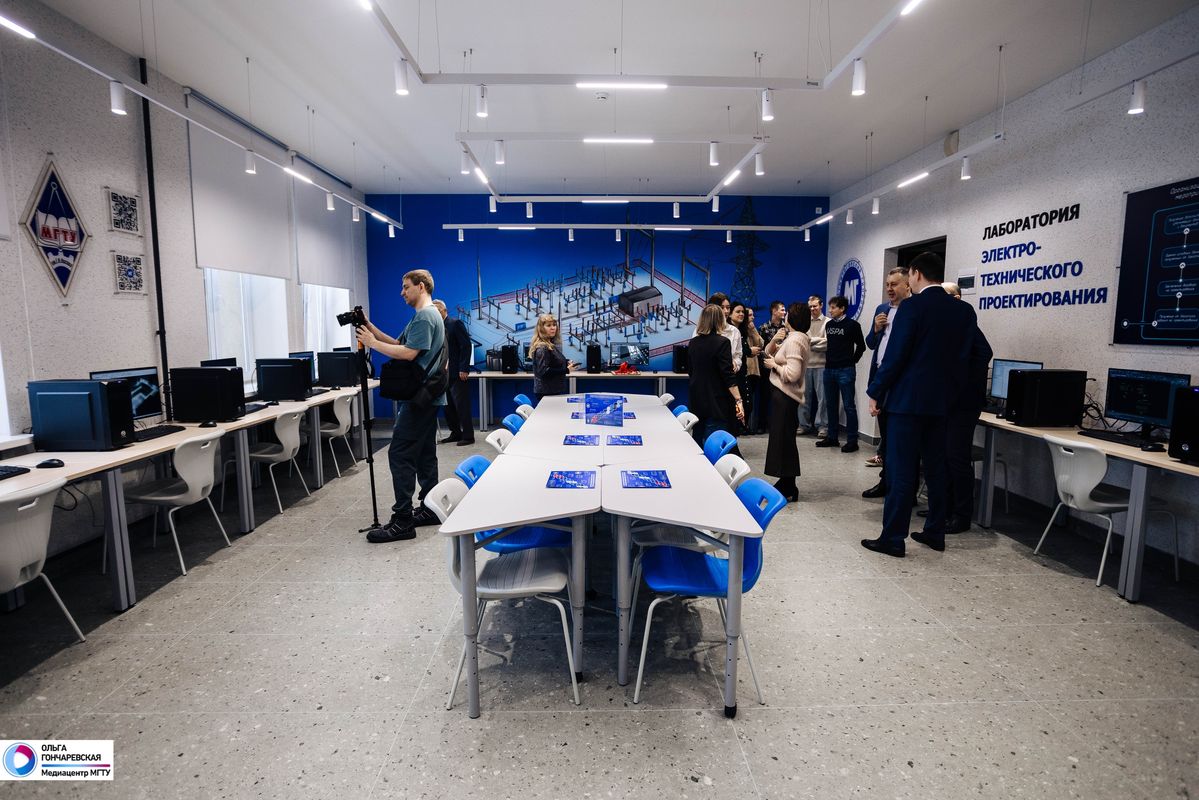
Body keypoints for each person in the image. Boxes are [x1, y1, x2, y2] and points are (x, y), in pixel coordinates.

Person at [862, 252, 980, 557]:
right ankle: (935, 531)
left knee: (902, 471)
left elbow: (896, 355)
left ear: (915, 273)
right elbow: (975, 355)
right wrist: (953, 390)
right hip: (942, 404)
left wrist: (876, 390)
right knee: (937, 469)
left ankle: (893, 538)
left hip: (907, 403)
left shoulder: (912, 307)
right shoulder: (963, 311)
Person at [356, 269, 446, 543]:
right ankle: (430, 507)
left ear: (421, 287)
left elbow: (408, 353)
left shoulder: (425, 316)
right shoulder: (427, 316)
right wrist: (370, 327)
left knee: (400, 453)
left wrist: (372, 344)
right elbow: (398, 344)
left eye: (406, 287)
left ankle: (403, 520)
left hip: (419, 398)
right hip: (428, 397)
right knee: (424, 452)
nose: (402, 292)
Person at [942, 281, 993, 533]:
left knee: (957, 457)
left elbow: (985, 354)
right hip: (947, 402)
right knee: (945, 457)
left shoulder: (968, 326)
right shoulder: (948, 327)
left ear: (957, 299)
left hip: (963, 403)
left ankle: (962, 515)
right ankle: (945, 507)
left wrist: (960, 379)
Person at [862, 268, 911, 498]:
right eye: (887, 284)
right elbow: (871, 344)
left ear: (907, 285)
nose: (889, 289)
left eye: (894, 284)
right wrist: (875, 329)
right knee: (886, 437)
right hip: (881, 379)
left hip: (902, 383)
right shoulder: (882, 310)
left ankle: (903, 489)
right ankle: (886, 482)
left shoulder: (912, 310)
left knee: (901, 440)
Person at [762, 302, 811, 501]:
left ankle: (788, 484)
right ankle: (787, 483)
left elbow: (792, 374)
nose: (785, 316)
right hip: (782, 396)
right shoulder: (793, 337)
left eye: (788, 313)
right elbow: (768, 352)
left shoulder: (795, 340)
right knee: (782, 440)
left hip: (785, 396)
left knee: (784, 440)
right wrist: (774, 341)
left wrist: (774, 365)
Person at [687, 304, 745, 447]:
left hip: (697, 398)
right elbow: (728, 375)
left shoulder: (693, 342)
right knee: (714, 443)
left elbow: (691, 370)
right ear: (720, 320)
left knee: (698, 439)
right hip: (716, 400)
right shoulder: (723, 342)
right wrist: (738, 399)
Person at [817, 295, 866, 453]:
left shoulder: (853, 325)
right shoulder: (829, 325)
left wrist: (852, 361)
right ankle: (832, 437)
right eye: (830, 307)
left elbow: (861, 346)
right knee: (830, 405)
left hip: (845, 370)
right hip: (829, 369)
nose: (830, 310)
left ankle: (852, 441)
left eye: (833, 307)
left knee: (849, 406)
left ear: (842, 308)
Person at [433, 300, 474, 446]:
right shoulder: (436, 327)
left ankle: (468, 436)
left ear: (444, 310)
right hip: (443, 374)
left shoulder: (455, 324)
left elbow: (466, 346)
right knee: (447, 406)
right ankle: (455, 433)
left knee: (461, 405)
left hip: (457, 372)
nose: (435, 313)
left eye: (438, 310)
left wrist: (464, 368)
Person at [529, 313, 578, 401]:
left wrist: (566, 361)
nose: (553, 328)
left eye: (554, 325)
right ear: (541, 328)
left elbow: (552, 360)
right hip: (546, 393)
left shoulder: (549, 344)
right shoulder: (542, 347)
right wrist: (566, 370)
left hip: (552, 391)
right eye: (548, 325)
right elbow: (544, 371)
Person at [692, 292, 742, 373]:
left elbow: (738, 355)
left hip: (727, 376)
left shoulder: (734, 331)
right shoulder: (700, 331)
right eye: (722, 307)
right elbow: (695, 357)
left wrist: (735, 364)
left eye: (728, 307)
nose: (726, 311)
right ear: (712, 309)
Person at [801, 295, 830, 436]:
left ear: (821, 305)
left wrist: (811, 342)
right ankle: (803, 425)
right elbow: (802, 341)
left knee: (823, 399)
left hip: (822, 365)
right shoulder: (804, 322)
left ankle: (822, 426)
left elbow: (828, 344)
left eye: (815, 306)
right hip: (805, 365)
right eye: (810, 306)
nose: (812, 309)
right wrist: (818, 341)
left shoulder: (828, 322)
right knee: (803, 398)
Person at [729, 302, 754, 433]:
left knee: (747, 403)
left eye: (743, 312)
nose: (741, 314)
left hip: (743, 371)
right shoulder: (729, 331)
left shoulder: (742, 331)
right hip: (733, 373)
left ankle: (740, 429)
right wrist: (749, 351)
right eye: (737, 311)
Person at [744, 306, 767, 434]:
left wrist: (753, 331)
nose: (752, 317)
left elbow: (761, 344)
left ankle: (747, 426)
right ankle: (741, 426)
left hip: (753, 369)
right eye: (750, 315)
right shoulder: (739, 330)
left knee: (750, 402)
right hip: (743, 369)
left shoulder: (753, 329)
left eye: (753, 315)